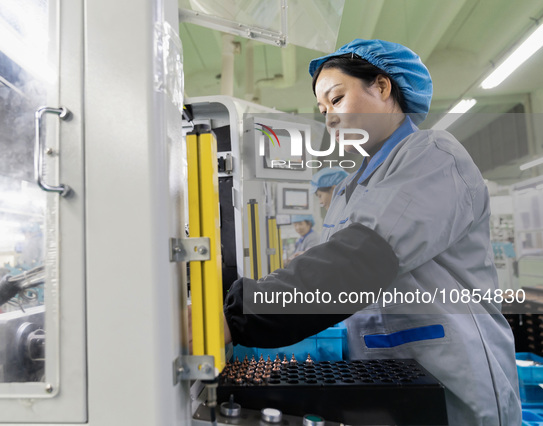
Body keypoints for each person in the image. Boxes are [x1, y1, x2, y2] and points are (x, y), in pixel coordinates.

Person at [221, 39, 521, 425]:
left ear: (382, 87)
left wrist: (240, 315)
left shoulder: (433, 156)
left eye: (338, 98)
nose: (329, 116)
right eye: (323, 108)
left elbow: (357, 261)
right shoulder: (351, 188)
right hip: (389, 383)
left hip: (453, 384)